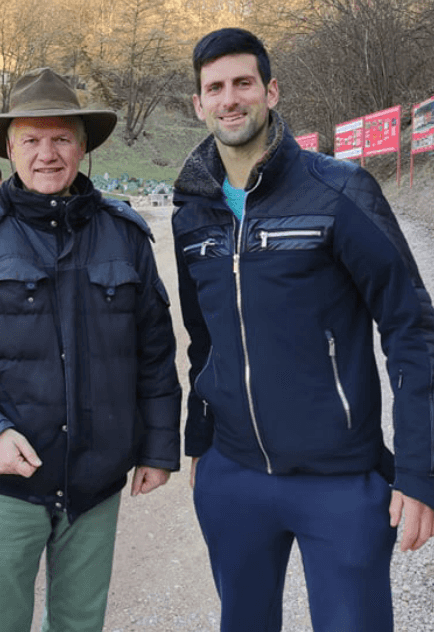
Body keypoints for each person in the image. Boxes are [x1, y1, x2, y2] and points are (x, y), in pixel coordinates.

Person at [173, 27, 434, 631]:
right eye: (215, 87)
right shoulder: (193, 213)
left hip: (339, 482)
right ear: (198, 104)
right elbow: (203, 336)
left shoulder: (339, 190)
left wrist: (420, 472)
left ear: (272, 91)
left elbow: (412, 329)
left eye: (244, 83)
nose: (230, 98)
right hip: (232, 477)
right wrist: (201, 441)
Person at [0, 67, 181, 632]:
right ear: (9, 147)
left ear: (83, 145)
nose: (47, 153)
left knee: (81, 625)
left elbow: (154, 351)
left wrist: (158, 446)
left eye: (61, 138)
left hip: (97, 483)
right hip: (6, 483)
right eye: (31, 139)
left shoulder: (125, 235)